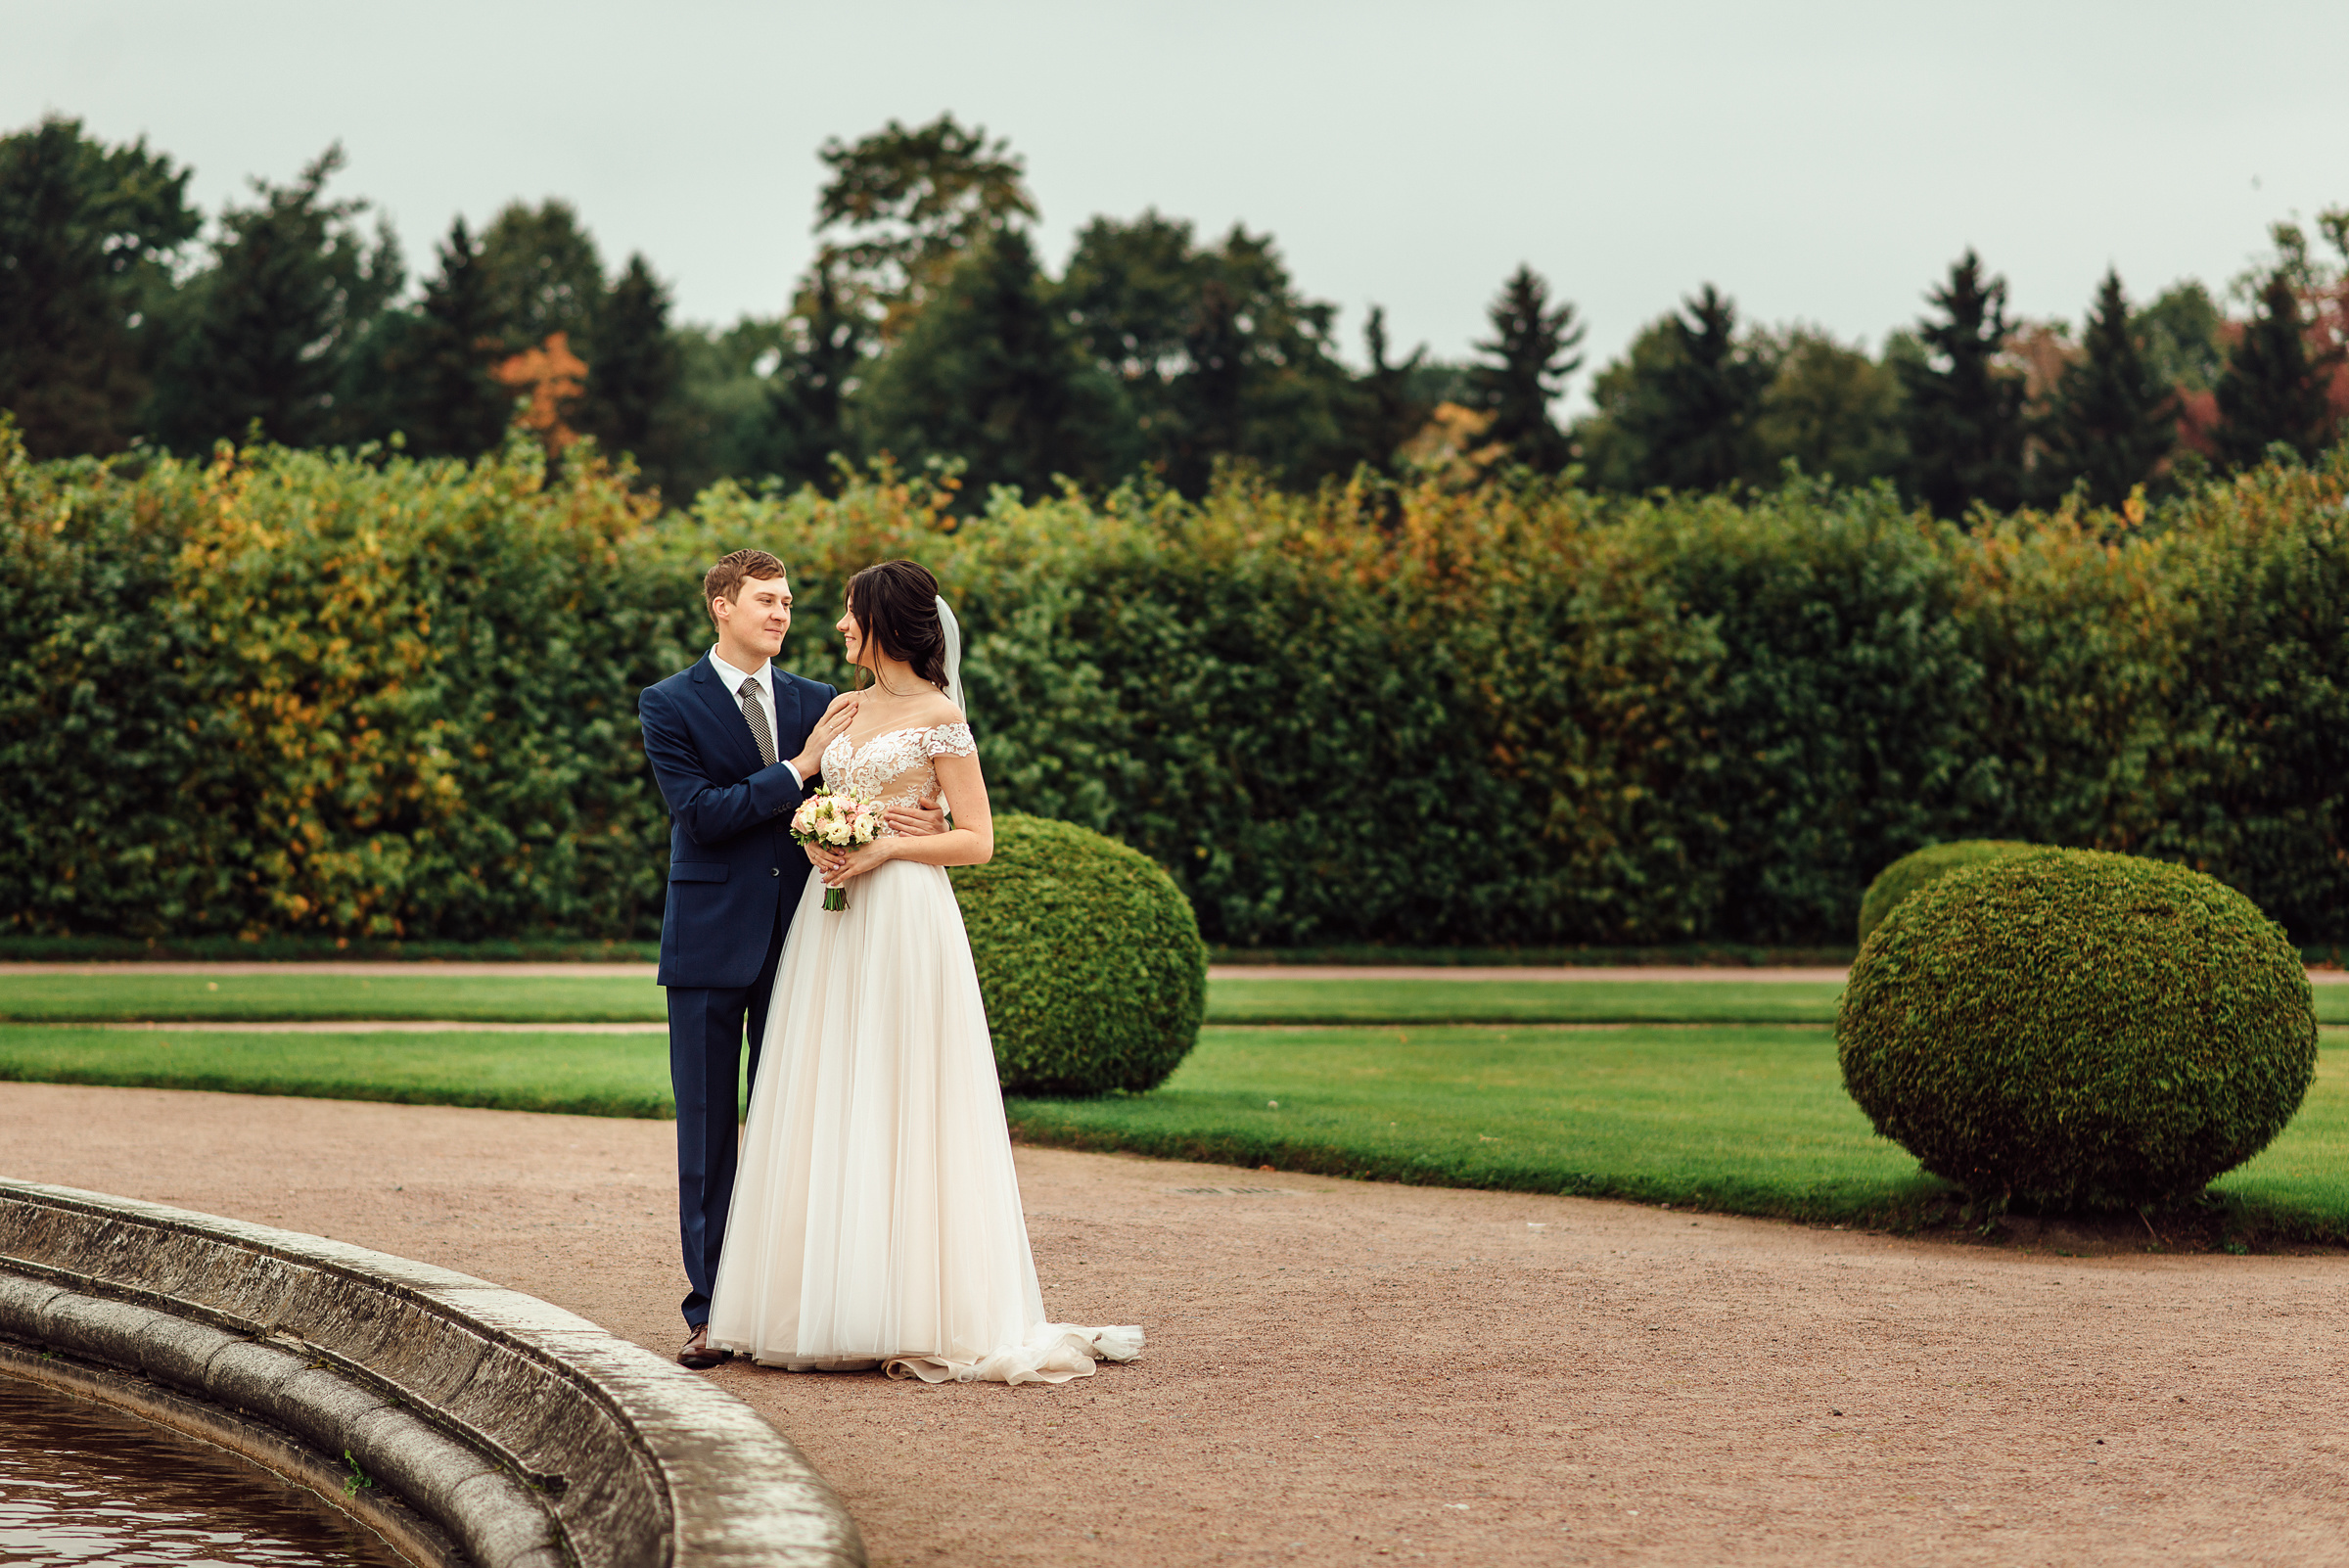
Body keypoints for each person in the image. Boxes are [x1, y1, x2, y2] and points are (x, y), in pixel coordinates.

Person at [705, 558, 1142, 1383]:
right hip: (830, 921)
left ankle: (915, 1305)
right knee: (829, 1090)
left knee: (904, 1092)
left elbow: (977, 840)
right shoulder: (841, 708)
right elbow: (804, 793)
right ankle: (824, 1303)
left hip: (905, 915)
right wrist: (820, 830)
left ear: (886, 622)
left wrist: (890, 846)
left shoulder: (942, 718)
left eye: (847, 612)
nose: (835, 625)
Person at [636, 548, 944, 1370]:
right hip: (707, 944)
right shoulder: (668, 704)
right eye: (766, 600)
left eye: (789, 601)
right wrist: (799, 768)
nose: (782, 613)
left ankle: (786, 1304)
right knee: (707, 1134)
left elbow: (879, 788)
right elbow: (701, 816)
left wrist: (914, 819)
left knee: (795, 1130)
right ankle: (708, 1312)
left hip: (812, 942)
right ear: (721, 607)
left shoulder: (825, 700)